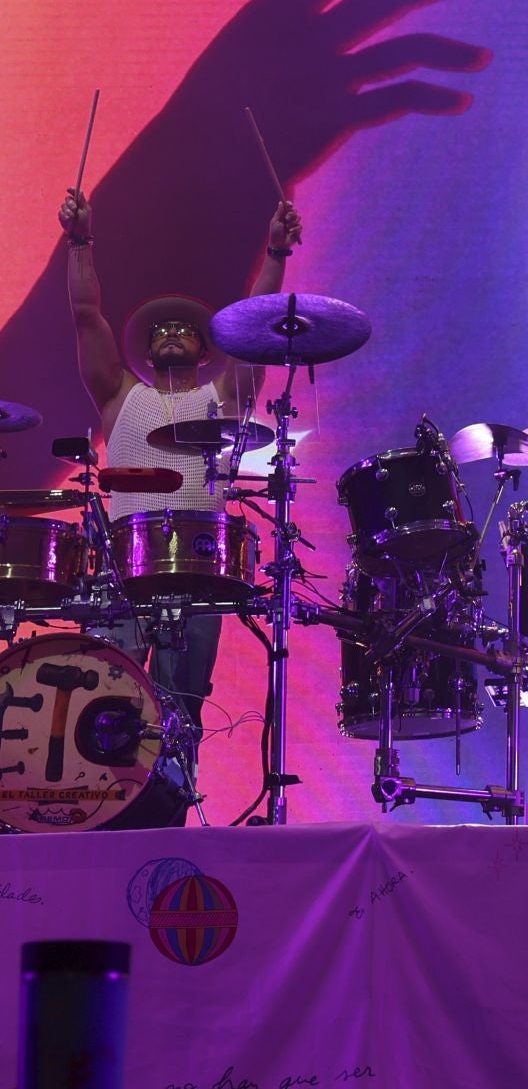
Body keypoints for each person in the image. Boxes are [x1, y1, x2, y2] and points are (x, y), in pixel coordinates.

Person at [60, 185, 301, 820]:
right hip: (121, 568)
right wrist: (80, 242)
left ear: (203, 348)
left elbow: (254, 327)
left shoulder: (221, 397)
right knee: (102, 695)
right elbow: (88, 316)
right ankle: (92, 809)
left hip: (195, 568)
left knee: (181, 709)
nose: (170, 333)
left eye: (184, 330)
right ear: (148, 347)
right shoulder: (118, 395)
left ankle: (173, 814)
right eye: (161, 329)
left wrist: (275, 252)